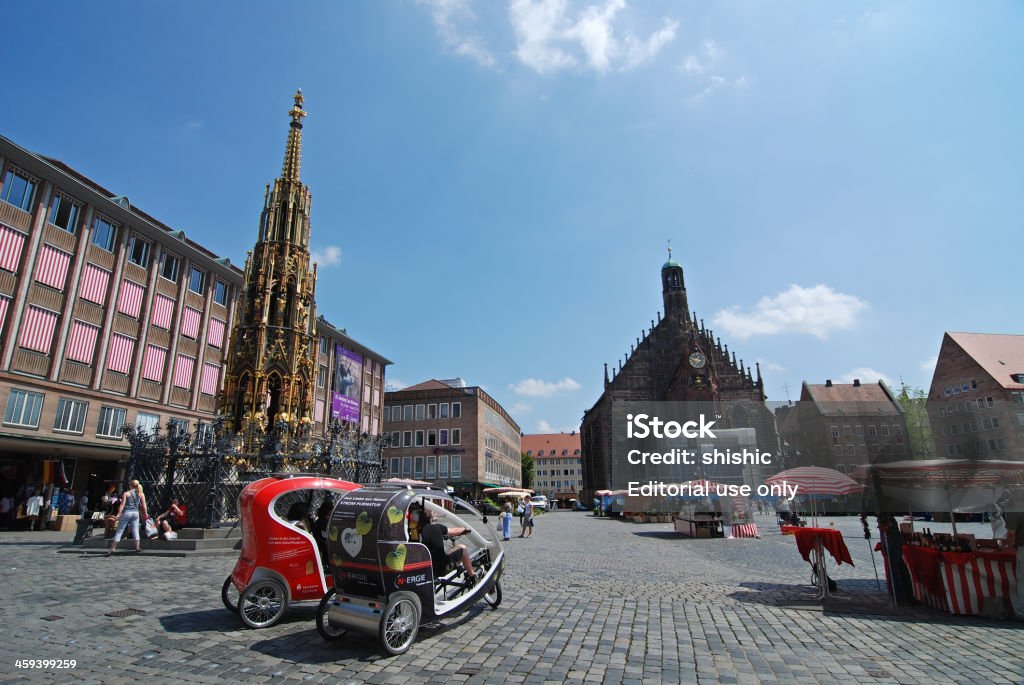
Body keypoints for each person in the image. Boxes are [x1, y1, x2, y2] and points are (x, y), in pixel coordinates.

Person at [420, 509, 476, 582]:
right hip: (441, 569)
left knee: (447, 551)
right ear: (430, 517)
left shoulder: (418, 531)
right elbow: (455, 531)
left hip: (426, 570)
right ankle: (473, 576)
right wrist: (465, 529)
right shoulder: (437, 527)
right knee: (463, 548)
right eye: (433, 512)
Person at [107, 480, 147, 555]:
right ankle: (137, 547)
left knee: (119, 531)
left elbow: (122, 505)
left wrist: (118, 514)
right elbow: (144, 505)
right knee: (135, 530)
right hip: (135, 513)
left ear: (130, 485)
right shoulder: (141, 493)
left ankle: (112, 548)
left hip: (127, 513)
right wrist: (146, 514)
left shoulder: (126, 493)